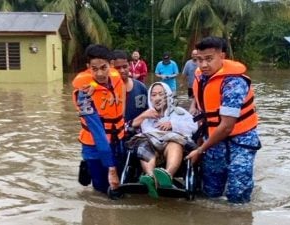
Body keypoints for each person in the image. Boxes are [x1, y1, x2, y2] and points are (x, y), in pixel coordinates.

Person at [185, 36, 261, 203]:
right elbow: (204, 116)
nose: (203, 65)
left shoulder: (234, 83)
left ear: (222, 56)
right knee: (211, 193)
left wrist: (199, 150)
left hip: (241, 140)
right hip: (214, 139)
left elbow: (226, 126)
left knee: (237, 192)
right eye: (199, 60)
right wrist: (199, 143)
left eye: (209, 59)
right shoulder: (201, 78)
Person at [72, 44, 125, 196]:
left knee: (119, 185)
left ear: (111, 65)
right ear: (88, 67)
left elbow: (122, 106)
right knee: (102, 189)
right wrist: (111, 168)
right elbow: (97, 133)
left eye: (104, 67)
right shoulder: (84, 95)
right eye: (94, 69)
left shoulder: (115, 77)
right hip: (95, 146)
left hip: (116, 139)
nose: (100, 73)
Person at [129, 82, 197, 198]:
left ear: (168, 95)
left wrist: (173, 124)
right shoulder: (146, 115)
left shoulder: (179, 112)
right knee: (143, 144)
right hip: (151, 147)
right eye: (154, 95)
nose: (157, 98)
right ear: (150, 98)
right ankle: (150, 177)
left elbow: (194, 127)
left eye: (161, 94)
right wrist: (144, 116)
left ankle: (167, 175)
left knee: (174, 143)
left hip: (170, 147)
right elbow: (129, 127)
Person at [111, 50, 148, 139]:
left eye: (125, 66)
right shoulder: (107, 91)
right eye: (118, 68)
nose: (122, 70)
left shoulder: (141, 87)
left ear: (129, 66)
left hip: (137, 136)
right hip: (115, 136)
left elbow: (147, 113)